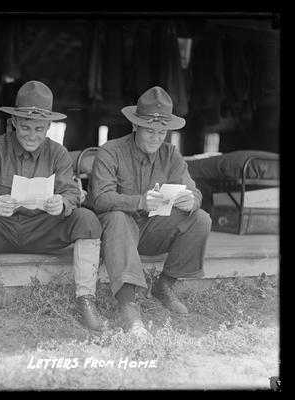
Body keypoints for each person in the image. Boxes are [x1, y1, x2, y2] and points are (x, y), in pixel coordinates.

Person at [0, 80, 105, 332]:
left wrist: (61, 203)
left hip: (43, 230)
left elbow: (72, 192)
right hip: (1, 229)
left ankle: (85, 299)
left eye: (39, 129)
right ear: (14, 122)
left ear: (49, 126)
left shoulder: (58, 153)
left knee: (87, 220)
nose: (32, 135)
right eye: (25, 127)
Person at [87, 86, 211, 337]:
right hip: (115, 234)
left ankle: (164, 285)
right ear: (134, 126)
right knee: (118, 218)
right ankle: (128, 306)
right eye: (150, 131)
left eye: (162, 132)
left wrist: (191, 200)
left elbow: (194, 192)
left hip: (152, 231)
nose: (156, 138)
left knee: (200, 218)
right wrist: (139, 202)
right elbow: (99, 199)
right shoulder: (110, 151)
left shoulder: (170, 153)